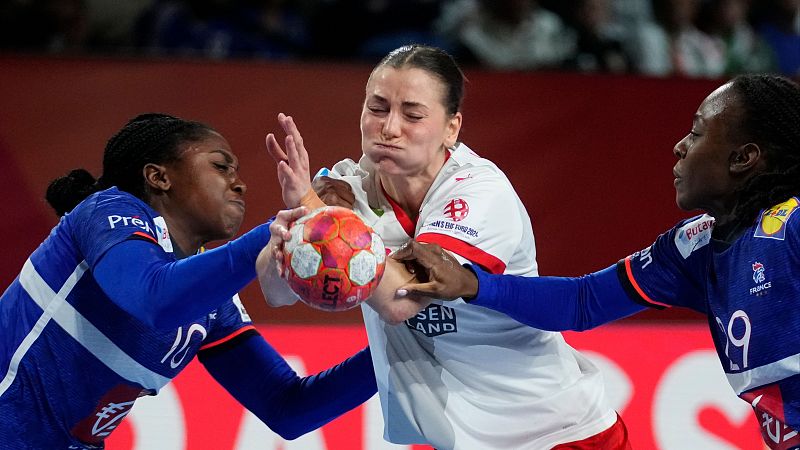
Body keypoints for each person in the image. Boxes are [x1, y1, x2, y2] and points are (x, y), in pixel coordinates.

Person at [391, 74, 800, 449]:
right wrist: (473, 284)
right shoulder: (695, 247)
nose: (680, 146)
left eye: (696, 133)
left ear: (743, 158)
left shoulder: (792, 225)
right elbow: (583, 301)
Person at [263, 44, 630, 449]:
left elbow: (402, 299)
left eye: (413, 114)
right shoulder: (346, 185)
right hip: (458, 439)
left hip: (553, 434)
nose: (389, 127)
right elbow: (274, 291)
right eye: (378, 108)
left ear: (452, 127)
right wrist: (302, 227)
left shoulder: (478, 192)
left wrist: (314, 212)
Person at [0, 113, 376, 449]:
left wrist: (402, 345)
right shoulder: (106, 211)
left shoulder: (213, 305)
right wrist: (290, 222)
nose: (239, 184)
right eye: (221, 167)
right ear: (159, 176)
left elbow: (288, 407)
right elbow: (156, 299)